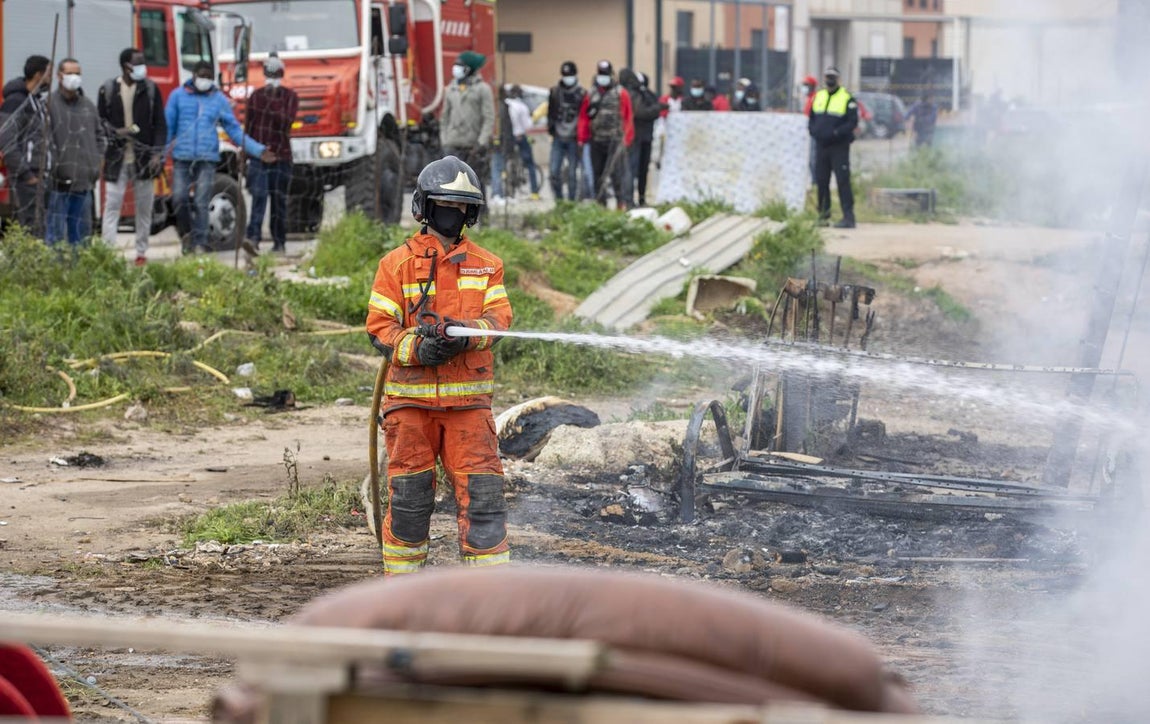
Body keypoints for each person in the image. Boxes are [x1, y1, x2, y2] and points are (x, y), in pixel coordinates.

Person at [365, 155, 513, 575]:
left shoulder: (487, 265)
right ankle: (404, 595)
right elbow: (380, 328)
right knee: (410, 502)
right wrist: (419, 349)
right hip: (410, 408)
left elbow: (499, 321)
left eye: (463, 207)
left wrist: (463, 331)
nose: (455, 215)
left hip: (468, 407)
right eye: (447, 206)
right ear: (425, 208)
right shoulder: (395, 265)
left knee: (483, 501)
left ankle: (488, 599)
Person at [166, 61, 273, 254]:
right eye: (202, 75)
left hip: (207, 158)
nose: (205, 79)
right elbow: (168, 128)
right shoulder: (178, 97)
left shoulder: (218, 100)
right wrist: (160, 154)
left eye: (209, 76)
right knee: (178, 198)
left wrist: (257, 150)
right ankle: (186, 233)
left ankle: (199, 242)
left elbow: (233, 129)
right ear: (194, 75)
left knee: (201, 201)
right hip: (182, 157)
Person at [98, 48, 166, 264]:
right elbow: (100, 124)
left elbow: (160, 126)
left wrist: (157, 154)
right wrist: (117, 133)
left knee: (144, 207)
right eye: (138, 63)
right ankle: (107, 252)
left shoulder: (151, 90)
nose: (142, 67)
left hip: (144, 160)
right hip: (117, 158)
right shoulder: (108, 90)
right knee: (112, 206)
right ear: (126, 66)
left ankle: (141, 252)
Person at [44, 58, 107, 247]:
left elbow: (100, 135)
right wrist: (55, 167)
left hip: (84, 184)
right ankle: (57, 274)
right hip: (58, 185)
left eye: (78, 73)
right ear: (59, 76)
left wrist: (97, 162)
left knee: (82, 238)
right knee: (56, 238)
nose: (74, 77)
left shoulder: (87, 105)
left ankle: (79, 274)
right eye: (70, 73)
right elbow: (45, 140)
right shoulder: (50, 104)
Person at [244, 54, 299, 253]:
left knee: (279, 201)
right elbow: (248, 128)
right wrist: (248, 155)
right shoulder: (255, 96)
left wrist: (272, 100)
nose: (272, 76)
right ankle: (253, 238)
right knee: (258, 197)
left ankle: (279, 242)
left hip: (281, 156)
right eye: (269, 73)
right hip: (259, 156)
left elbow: (286, 122)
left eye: (275, 73)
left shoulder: (289, 97)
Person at [0, 55, 51, 237]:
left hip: (41, 173)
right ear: (38, 75)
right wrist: (26, 175)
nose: (51, 78)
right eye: (49, 73)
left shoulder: (37, 101)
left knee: (40, 226)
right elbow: (6, 141)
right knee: (30, 227)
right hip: (28, 176)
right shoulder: (16, 102)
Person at [577, 60, 634, 209]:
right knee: (598, 175)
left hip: (615, 140)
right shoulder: (591, 93)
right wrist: (582, 138)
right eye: (601, 74)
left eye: (606, 74)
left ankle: (620, 205)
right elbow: (584, 117)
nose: (603, 78)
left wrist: (626, 140)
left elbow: (628, 117)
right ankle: (601, 206)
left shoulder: (621, 93)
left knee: (617, 175)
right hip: (596, 140)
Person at [808, 66, 859, 229]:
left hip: (839, 146)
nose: (830, 80)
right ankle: (823, 215)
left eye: (833, 77)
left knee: (842, 181)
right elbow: (812, 117)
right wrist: (814, 131)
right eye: (827, 76)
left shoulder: (846, 98)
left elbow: (852, 122)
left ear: (838, 79)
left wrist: (836, 133)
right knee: (822, 181)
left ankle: (848, 218)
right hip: (821, 145)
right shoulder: (819, 96)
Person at [439, 50, 494, 199]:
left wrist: (481, 142)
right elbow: (444, 117)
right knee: (452, 185)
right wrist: (445, 140)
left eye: (460, 66)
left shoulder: (483, 89)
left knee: (476, 184)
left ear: (469, 69)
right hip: (452, 145)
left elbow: (489, 118)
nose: (455, 68)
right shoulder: (450, 88)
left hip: (473, 147)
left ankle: (482, 217)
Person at [619, 69, 664, 207]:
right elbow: (642, 112)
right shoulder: (630, 94)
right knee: (631, 169)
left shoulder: (644, 94)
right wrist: (658, 108)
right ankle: (629, 200)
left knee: (643, 170)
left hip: (646, 136)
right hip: (634, 137)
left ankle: (641, 199)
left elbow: (653, 104)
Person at [546, 60, 585, 201]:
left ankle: (572, 202)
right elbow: (550, 113)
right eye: (565, 75)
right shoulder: (555, 92)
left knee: (572, 174)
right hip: (558, 137)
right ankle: (560, 200)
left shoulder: (581, 93)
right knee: (553, 172)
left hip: (574, 139)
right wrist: (551, 128)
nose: (567, 78)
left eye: (570, 75)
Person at [504, 85, 540, 199]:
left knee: (504, 163)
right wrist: (534, 118)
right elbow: (527, 125)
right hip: (520, 137)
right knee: (530, 164)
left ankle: (505, 192)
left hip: (507, 138)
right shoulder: (521, 106)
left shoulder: (505, 105)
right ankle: (534, 192)